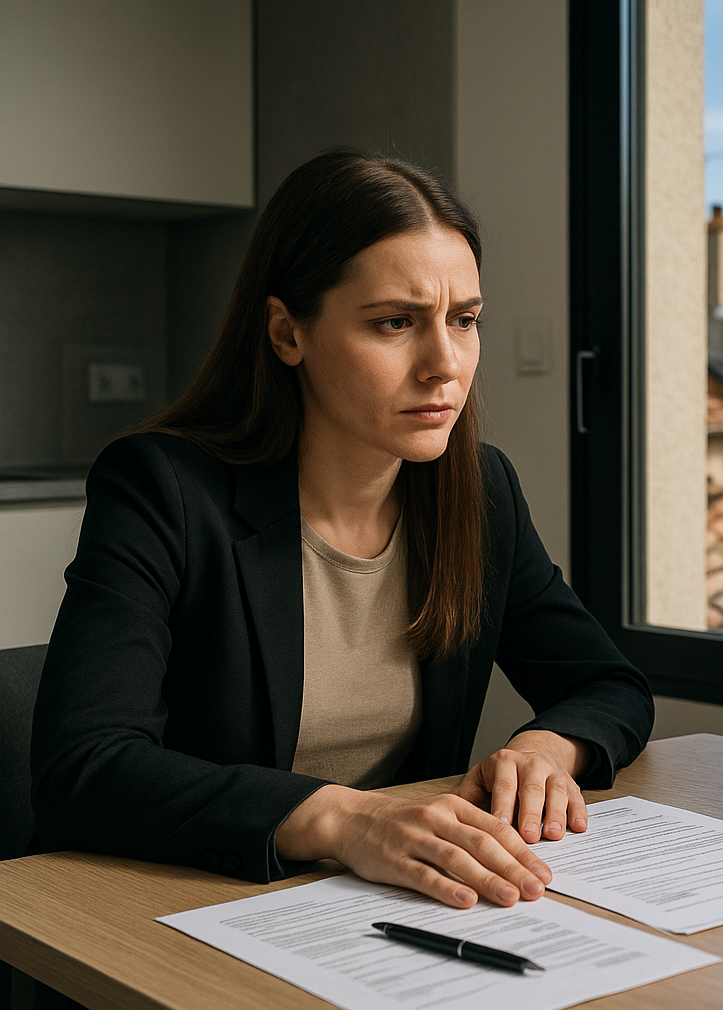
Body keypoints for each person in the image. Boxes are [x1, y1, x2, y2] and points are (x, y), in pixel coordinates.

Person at [30, 151, 653, 910]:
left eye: (464, 320)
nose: (445, 364)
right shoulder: (163, 488)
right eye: (395, 323)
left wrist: (546, 749)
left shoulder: (479, 489)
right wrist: (343, 820)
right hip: (196, 901)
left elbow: (607, 684)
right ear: (287, 332)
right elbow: (85, 767)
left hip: (399, 907)